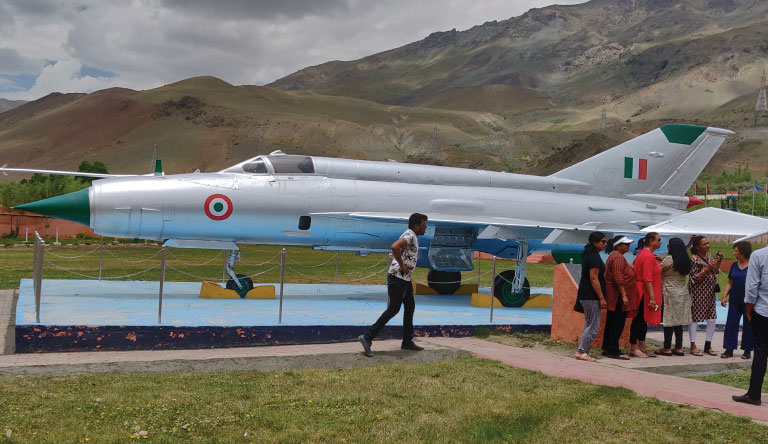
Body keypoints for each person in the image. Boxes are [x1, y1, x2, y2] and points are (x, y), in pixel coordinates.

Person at [359, 213, 428, 357]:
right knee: (393, 309)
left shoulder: (412, 236)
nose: (425, 227)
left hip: (405, 279)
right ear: (416, 226)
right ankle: (367, 337)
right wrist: (402, 266)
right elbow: (395, 246)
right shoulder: (409, 235)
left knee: (410, 306)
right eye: (423, 225)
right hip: (398, 278)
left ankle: (407, 342)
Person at [733, 244, 768, 406]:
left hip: (763, 311)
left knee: (760, 352)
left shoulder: (759, 255)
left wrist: (748, 309)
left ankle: (754, 394)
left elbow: (752, 286)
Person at [601, 235, 637, 359]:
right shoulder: (617, 257)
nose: (628, 246)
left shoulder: (618, 257)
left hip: (616, 297)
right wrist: (624, 295)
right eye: (625, 244)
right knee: (617, 323)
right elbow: (618, 278)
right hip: (617, 297)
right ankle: (613, 350)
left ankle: (607, 347)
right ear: (618, 246)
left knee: (612, 322)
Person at [574, 231, 607, 362]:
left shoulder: (592, 255)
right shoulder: (593, 257)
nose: (605, 244)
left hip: (587, 295)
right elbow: (594, 278)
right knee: (593, 325)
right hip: (590, 296)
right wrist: (601, 298)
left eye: (606, 242)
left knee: (590, 323)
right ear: (595, 242)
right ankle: (581, 351)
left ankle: (585, 350)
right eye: (603, 241)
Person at [688, 236, 722, 356]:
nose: (707, 245)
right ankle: (693, 345)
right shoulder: (693, 259)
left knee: (712, 319)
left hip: (710, 293)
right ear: (697, 247)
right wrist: (706, 268)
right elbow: (693, 278)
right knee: (695, 319)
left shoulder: (709, 256)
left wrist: (719, 261)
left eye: (708, 243)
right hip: (698, 293)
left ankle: (708, 345)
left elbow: (715, 271)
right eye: (704, 244)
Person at [657, 237, 692, 356]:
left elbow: (658, 270)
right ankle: (679, 347)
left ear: (671, 247)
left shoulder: (669, 259)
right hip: (682, 291)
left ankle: (667, 347)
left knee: (669, 320)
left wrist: (658, 261)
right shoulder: (685, 260)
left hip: (669, 291)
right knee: (678, 321)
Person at [630, 232, 662, 358]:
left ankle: (642, 344)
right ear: (650, 241)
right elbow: (647, 278)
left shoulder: (647, 255)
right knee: (638, 319)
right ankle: (633, 346)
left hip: (644, 290)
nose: (660, 242)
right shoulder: (647, 256)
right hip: (643, 291)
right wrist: (652, 297)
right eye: (658, 240)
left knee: (643, 320)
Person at [721, 241, 753, 359]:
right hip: (734, 299)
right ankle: (729, 349)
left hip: (748, 300)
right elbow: (730, 283)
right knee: (731, 323)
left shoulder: (753, 264)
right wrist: (724, 296)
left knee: (748, 324)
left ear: (743, 252)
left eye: (736, 251)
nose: (734, 253)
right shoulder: (734, 265)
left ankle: (747, 350)